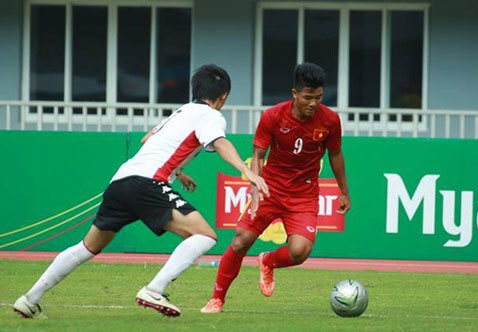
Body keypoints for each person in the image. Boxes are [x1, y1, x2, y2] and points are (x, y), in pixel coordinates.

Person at [13, 64, 269, 319]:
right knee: (205, 235)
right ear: (223, 96)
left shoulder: (178, 113)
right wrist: (246, 171)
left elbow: (147, 139)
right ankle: (154, 289)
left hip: (121, 182)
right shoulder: (211, 115)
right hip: (147, 183)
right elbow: (220, 142)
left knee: (87, 246)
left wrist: (178, 171)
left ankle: (29, 299)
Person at [201, 63, 351, 314]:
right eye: (307, 97)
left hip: (303, 195)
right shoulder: (273, 116)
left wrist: (344, 191)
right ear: (295, 93)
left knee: (300, 252)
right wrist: (256, 186)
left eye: (318, 97)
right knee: (240, 242)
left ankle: (267, 261)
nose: (313, 103)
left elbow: (336, 154)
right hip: (270, 189)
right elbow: (258, 154)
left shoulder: (330, 120)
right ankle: (217, 298)